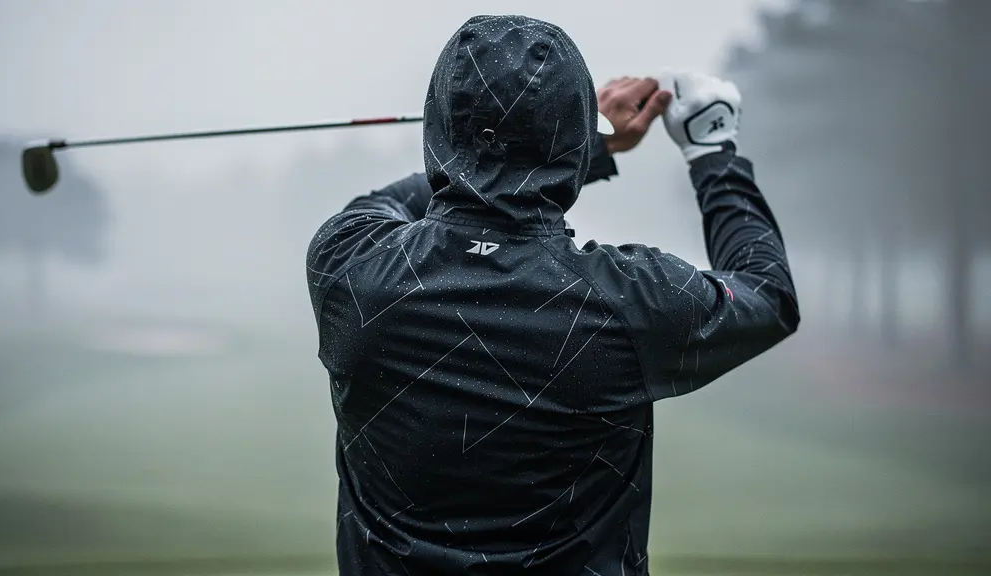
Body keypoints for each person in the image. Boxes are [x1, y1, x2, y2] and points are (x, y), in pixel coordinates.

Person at [306, 14, 799, 576]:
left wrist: (578, 142)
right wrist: (712, 149)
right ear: (570, 139)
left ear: (436, 125)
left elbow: (391, 202)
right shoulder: (630, 300)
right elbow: (766, 292)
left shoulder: (347, 265)